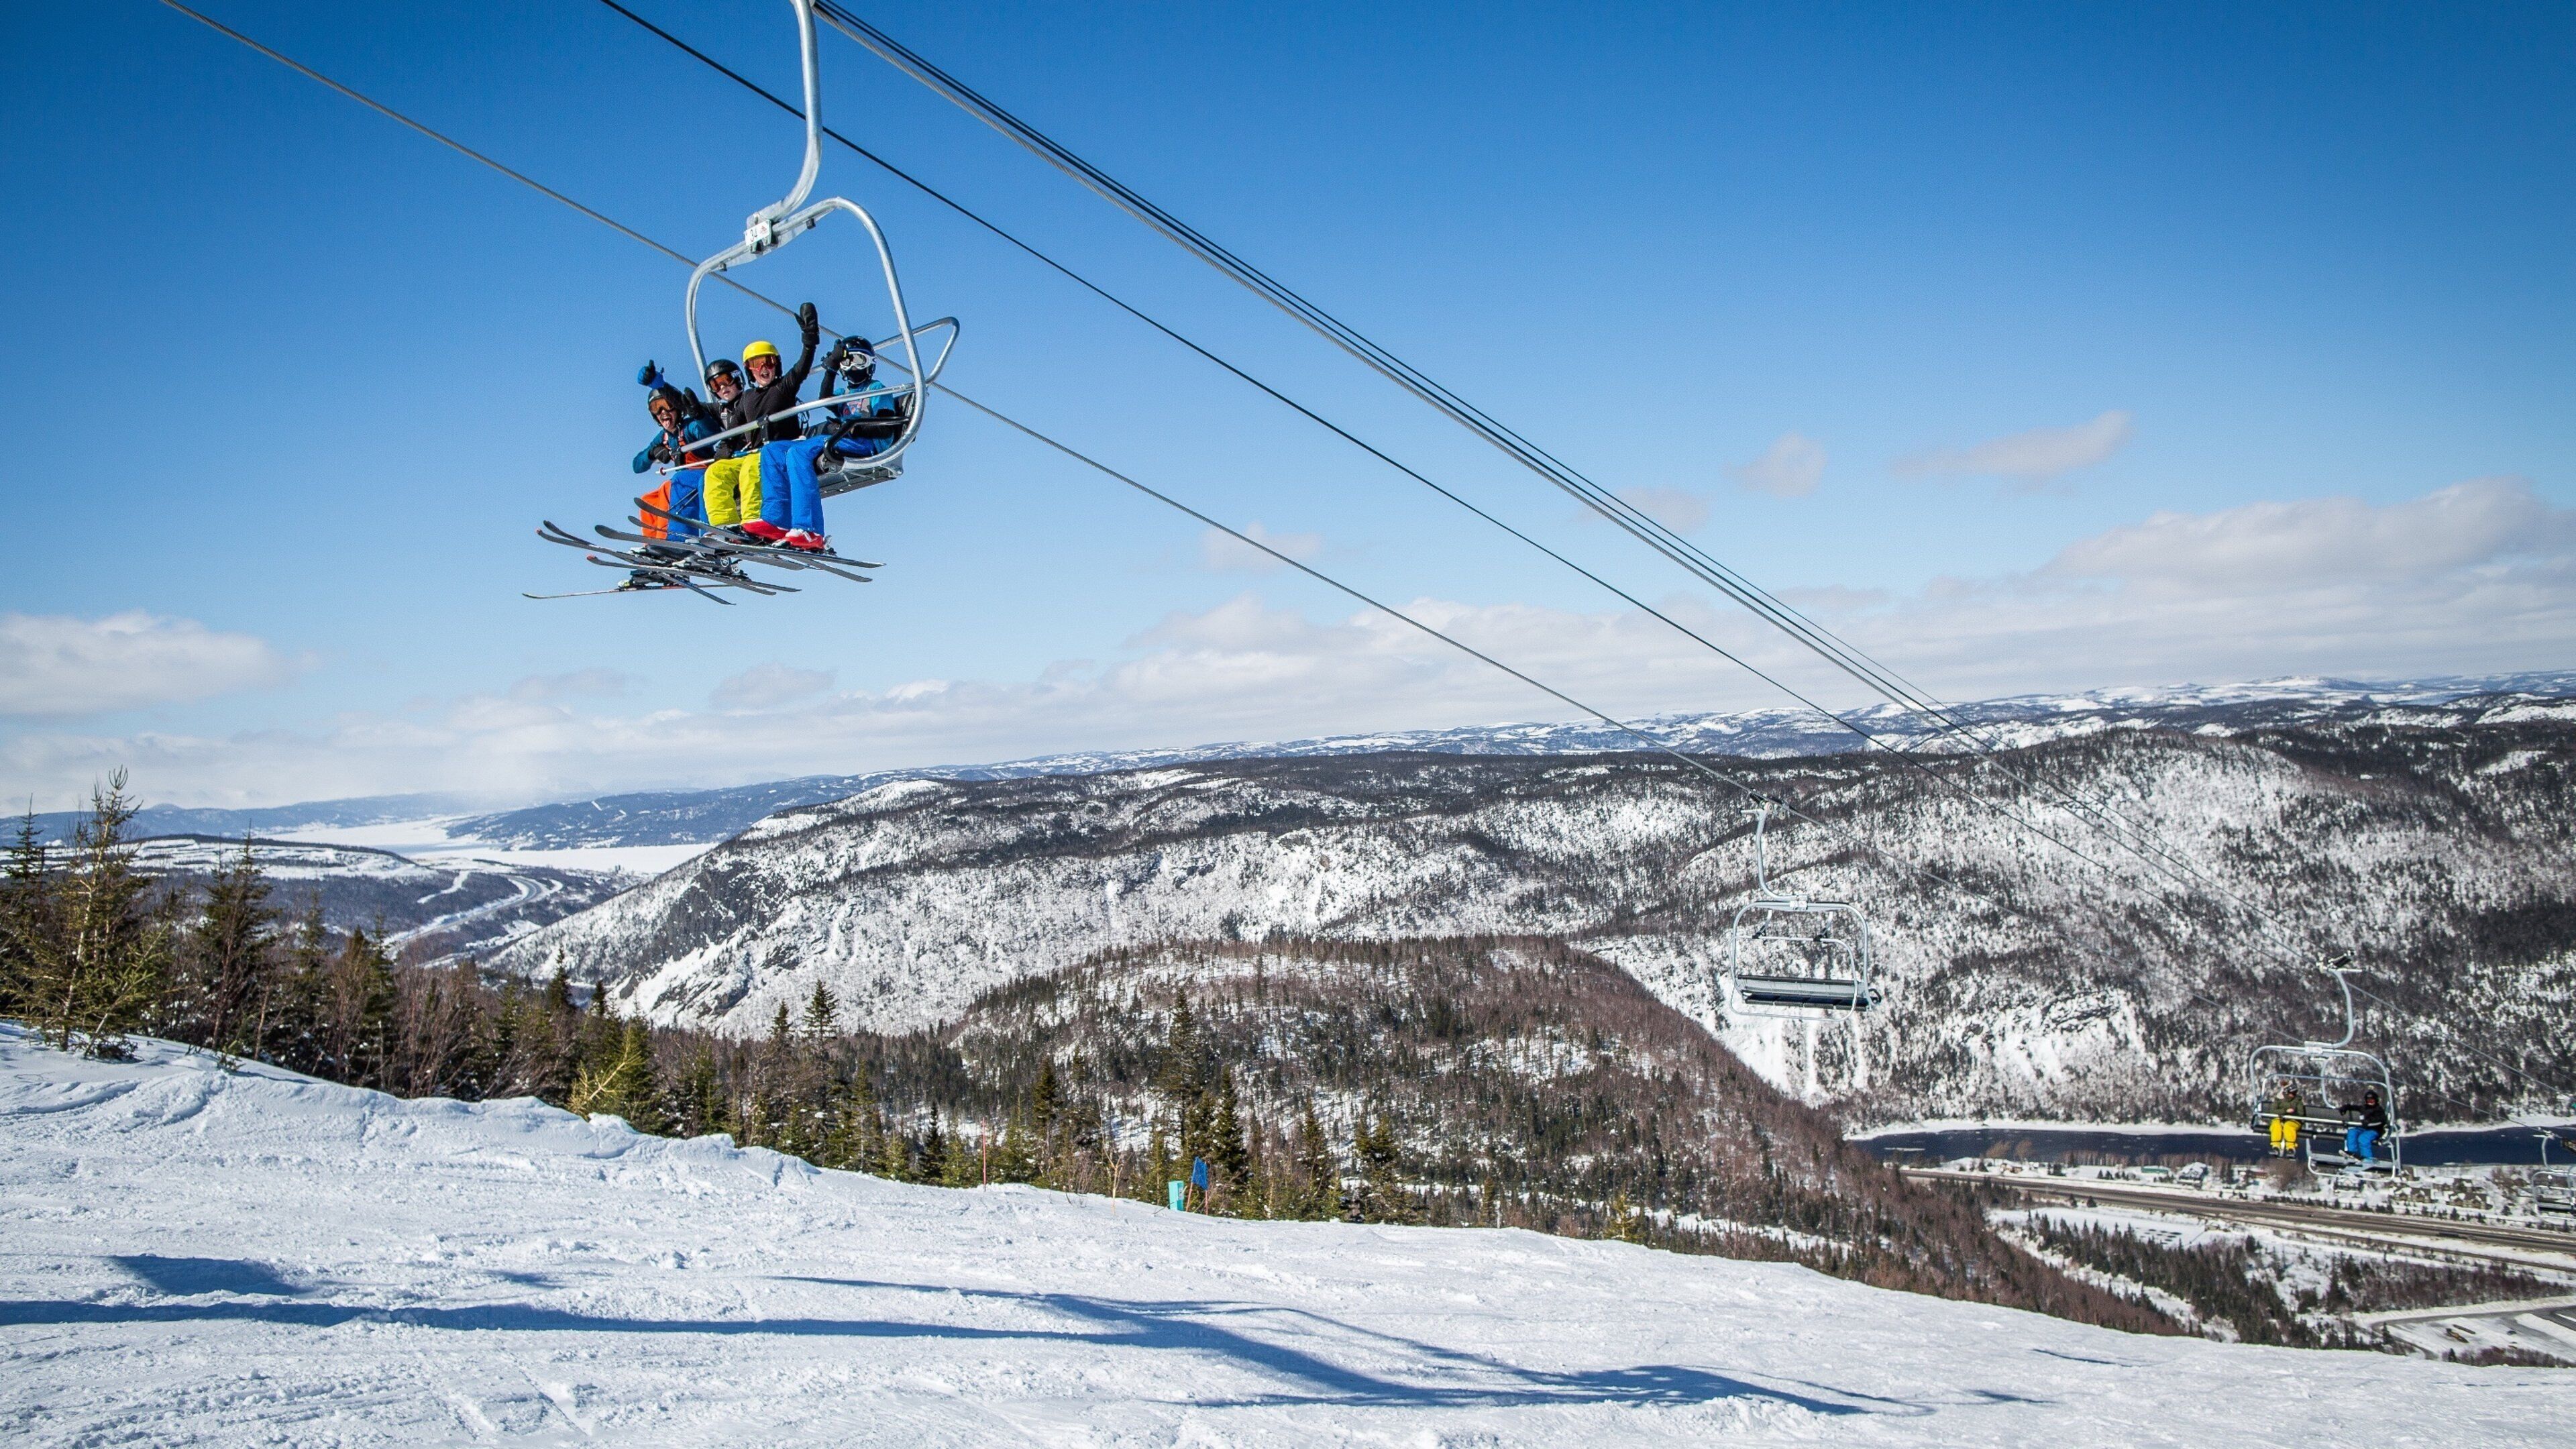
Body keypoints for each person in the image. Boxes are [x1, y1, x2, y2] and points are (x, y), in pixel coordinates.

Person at [737, 305, 822, 544]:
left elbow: (803, 367)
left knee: (768, 454)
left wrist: (810, 340)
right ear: (749, 370)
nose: (764, 369)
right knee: (755, 458)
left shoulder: (783, 387)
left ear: (777, 364)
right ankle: (770, 522)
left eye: (769, 362)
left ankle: (778, 521)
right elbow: (733, 429)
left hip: (787, 447)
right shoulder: (746, 398)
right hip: (765, 453)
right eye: (757, 364)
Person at [2342, 1089, 2389, 1164]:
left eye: (2372, 1101)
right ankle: (2352, 1152)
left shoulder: (2379, 1110)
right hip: (2364, 1129)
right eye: (2368, 1101)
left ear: (2376, 1100)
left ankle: (2367, 1158)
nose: (2370, 1103)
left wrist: (2370, 1121)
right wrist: (2346, 1107)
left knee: (2363, 1138)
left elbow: (2382, 1119)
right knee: (2352, 1132)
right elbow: (2354, 1107)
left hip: (2375, 1130)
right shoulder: (2364, 1108)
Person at [2265, 1079, 2303, 1157]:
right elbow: (2273, 1111)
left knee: (2288, 1126)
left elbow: (2301, 1113)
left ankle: (2291, 1148)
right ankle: (2276, 1147)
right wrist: (2285, 1111)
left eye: (2294, 1093)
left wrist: (2293, 1114)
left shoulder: (2297, 1101)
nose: (2293, 1095)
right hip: (2280, 1119)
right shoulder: (2278, 1100)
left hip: (2294, 1121)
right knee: (2276, 1124)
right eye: (2291, 1093)